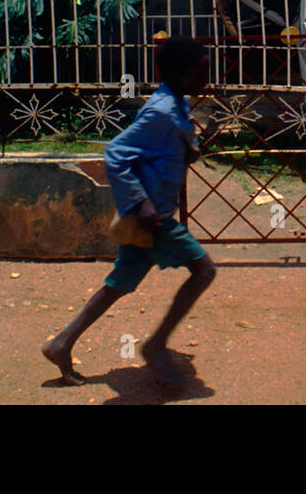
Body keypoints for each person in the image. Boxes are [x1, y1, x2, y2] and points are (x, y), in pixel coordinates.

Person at [42, 35, 215, 386]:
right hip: (156, 220)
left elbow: (164, 144)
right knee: (204, 270)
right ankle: (155, 345)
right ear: (184, 75)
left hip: (149, 223)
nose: (208, 78)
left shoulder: (175, 103)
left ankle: (62, 342)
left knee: (118, 284)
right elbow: (116, 153)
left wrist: (187, 150)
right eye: (202, 72)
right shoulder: (161, 111)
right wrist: (142, 201)